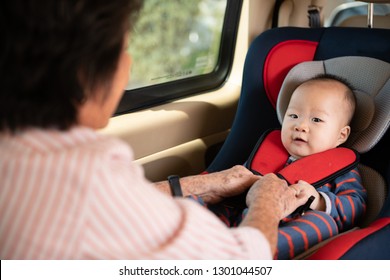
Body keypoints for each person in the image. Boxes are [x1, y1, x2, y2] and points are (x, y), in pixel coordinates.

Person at [0, 0, 303, 259]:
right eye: (124, 47)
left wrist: (201, 185)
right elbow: (240, 264)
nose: (129, 64)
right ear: (84, 73)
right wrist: (266, 201)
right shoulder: (83, 179)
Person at [207, 75, 368, 259]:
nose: (300, 126)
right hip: (247, 212)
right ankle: (209, 244)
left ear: (341, 135)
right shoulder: (267, 152)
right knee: (216, 203)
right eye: (293, 116)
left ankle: (250, 254)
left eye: (316, 120)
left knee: (323, 223)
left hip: (294, 222)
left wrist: (318, 200)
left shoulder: (342, 168)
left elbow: (356, 206)